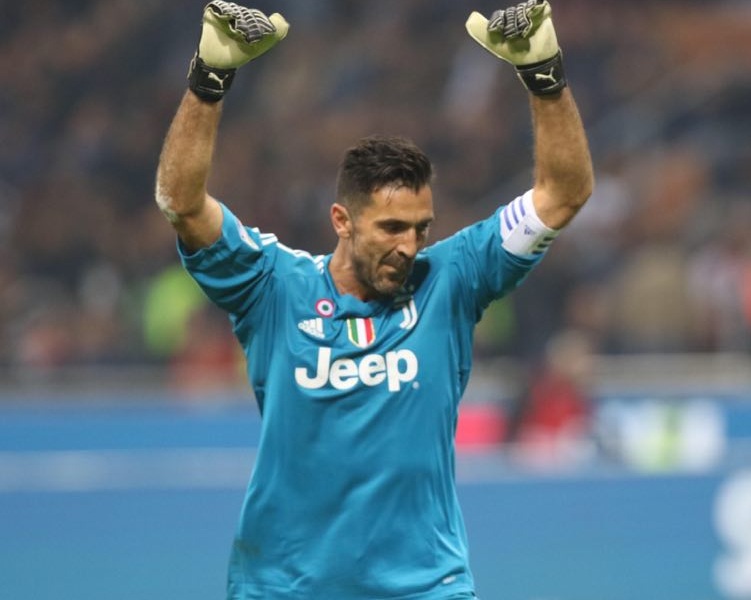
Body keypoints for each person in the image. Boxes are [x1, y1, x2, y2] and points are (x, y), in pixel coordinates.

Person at [154, 1, 593, 598]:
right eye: (391, 228)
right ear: (342, 220)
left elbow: (564, 192)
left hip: (425, 588)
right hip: (285, 589)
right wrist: (209, 81)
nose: (409, 245)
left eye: (420, 228)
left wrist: (544, 78)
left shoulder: (453, 278)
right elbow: (182, 203)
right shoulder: (274, 286)